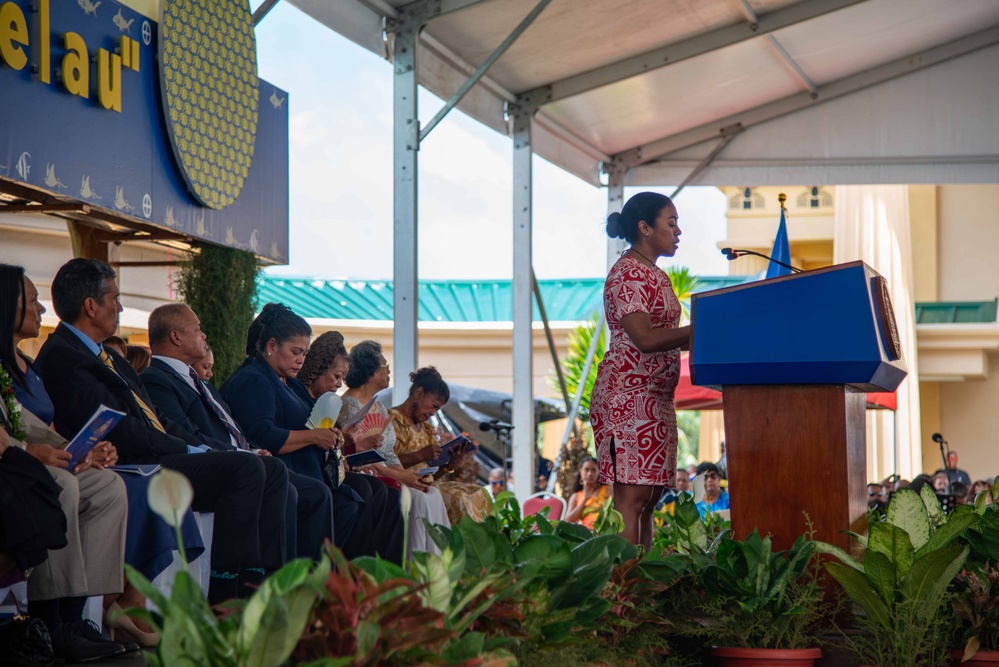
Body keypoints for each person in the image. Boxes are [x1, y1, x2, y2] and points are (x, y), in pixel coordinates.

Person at [33, 258, 286, 605]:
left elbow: (156, 419)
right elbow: (120, 427)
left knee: (270, 469)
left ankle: (261, 583)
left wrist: (203, 448)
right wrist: (189, 451)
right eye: (115, 298)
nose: (120, 307)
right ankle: (226, 596)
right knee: (245, 469)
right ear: (91, 306)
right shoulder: (64, 355)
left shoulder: (112, 357)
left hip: (156, 451)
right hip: (130, 461)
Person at [0, 264, 131, 661]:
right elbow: (16, 439)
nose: (43, 309)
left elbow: (32, 424)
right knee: (61, 484)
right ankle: (49, 617)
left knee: (107, 486)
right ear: (8, 306)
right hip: (14, 468)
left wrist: (83, 452)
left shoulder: (24, 363)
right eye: (34, 300)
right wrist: (28, 453)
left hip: (24, 462)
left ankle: (77, 614)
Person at [140, 303, 334, 561]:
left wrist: (251, 448)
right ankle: (262, 581)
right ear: (176, 336)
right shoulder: (156, 379)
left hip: (237, 460)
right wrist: (242, 451)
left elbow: (232, 426)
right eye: (197, 329)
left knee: (305, 486)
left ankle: (296, 583)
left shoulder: (197, 380)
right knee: (290, 485)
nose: (204, 335)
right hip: (210, 464)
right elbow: (184, 433)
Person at [221, 305, 375, 559]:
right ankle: (310, 584)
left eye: (304, 353)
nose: (301, 360)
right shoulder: (254, 379)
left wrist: (331, 434)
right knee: (324, 497)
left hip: (308, 469)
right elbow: (264, 435)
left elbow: (310, 421)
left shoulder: (287, 382)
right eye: (295, 352)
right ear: (271, 346)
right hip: (282, 471)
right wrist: (315, 436)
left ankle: (346, 580)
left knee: (355, 498)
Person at [588, 192, 690, 548]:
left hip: (656, 400)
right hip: (626, 400)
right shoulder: (627, 274)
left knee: (647, 501)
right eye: (671, 223)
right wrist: (703, 329)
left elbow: (670, 337)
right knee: (631, 501)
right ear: (644, 228)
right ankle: (621, 597)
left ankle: (641, 590)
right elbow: (645, 338)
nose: (678, 231)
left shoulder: (656, 275)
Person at [288, 330, 405, 562]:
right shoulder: (298, 398)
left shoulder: (324, 403)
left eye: (342, 378)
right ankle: (353, 568)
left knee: (388, 494)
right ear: (319, 369)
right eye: (335, 377)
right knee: (366, 490)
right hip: (307, 472)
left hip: (331, 470)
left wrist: (347, 444)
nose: (339, 384)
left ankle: (380, 570)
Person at [336, 339, 450, 557]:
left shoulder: (379, 407)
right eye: (383, 366)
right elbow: (362, 456)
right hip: (367, 472)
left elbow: (388, 455)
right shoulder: (349, 405)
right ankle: (413, 567)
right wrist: (402, 478)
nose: (388, 370)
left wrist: (410, 476)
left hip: (386, 470)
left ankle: (437, 569)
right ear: (369, 370)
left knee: (431, 493)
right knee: (415, 498)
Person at [389, 367, 490, 525]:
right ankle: (455, 549)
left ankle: (481, 549)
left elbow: (429, 476)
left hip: (427, 487)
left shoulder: (426, 429)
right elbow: (385, 464)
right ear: (419, 393)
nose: (433, 413)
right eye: (433, 405)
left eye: (437, 409)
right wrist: (420, 455)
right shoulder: (392, 420)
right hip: (403, 487)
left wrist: (448, 466)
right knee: (459, 498)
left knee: (480, 493)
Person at [565, 458, 610, 529]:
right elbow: (568, 520)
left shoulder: (607, 490)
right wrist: (585, 499)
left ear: (598, 473)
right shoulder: (576, 496)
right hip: (585, 535)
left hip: (604, 532)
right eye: (586, 470)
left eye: (593, 470)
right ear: (581, 472)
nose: (590, 473)